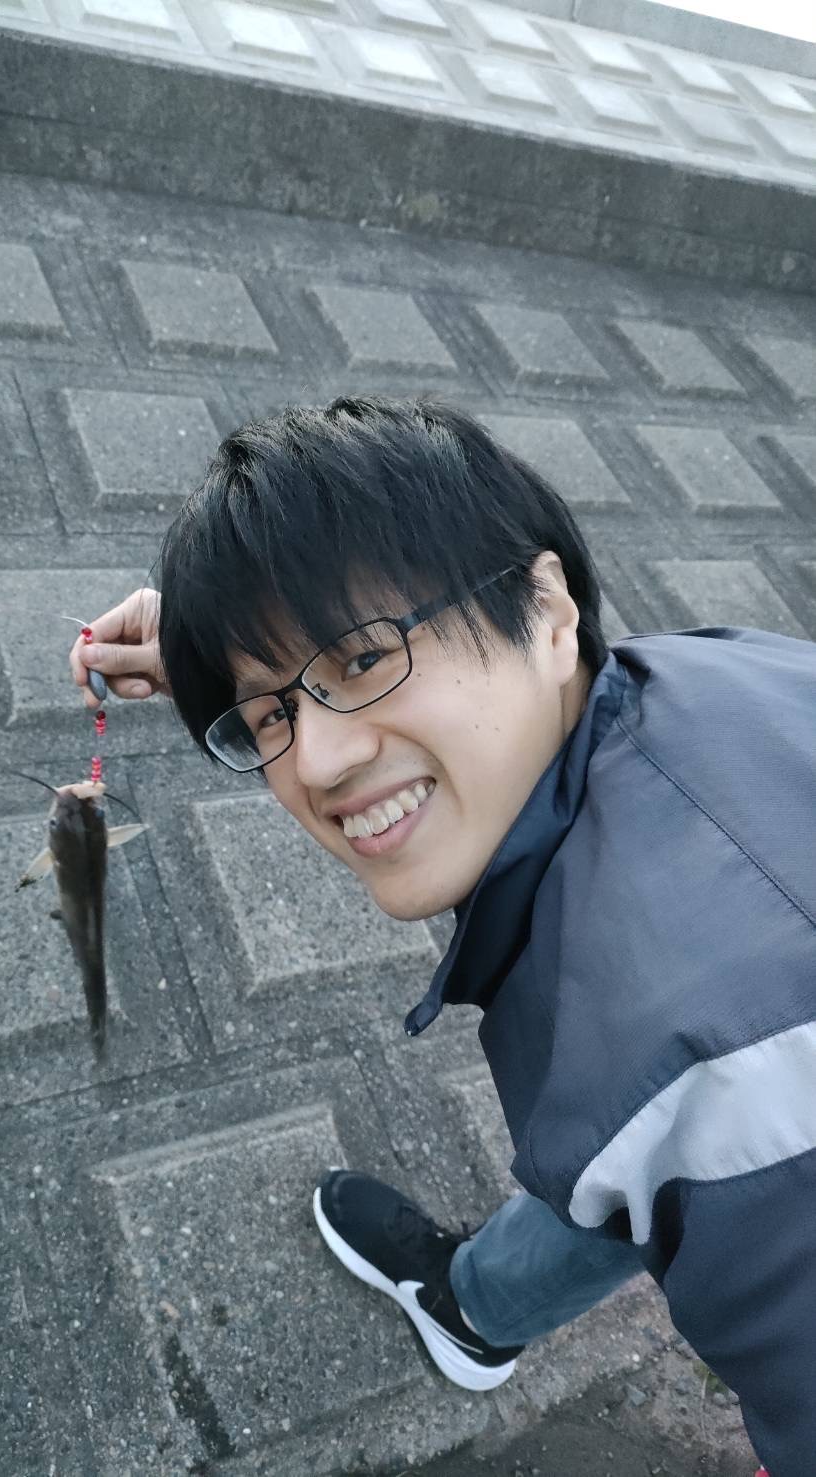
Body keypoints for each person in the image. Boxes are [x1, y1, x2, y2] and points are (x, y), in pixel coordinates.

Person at [70, 395, 814, 1476]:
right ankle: (477, 1310)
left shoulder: (715, 1072)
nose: (316, 763)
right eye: (273, 711)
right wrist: (231, 643)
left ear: (546, 606)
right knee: (622, 1156)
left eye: (365, 656)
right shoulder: (713, 675)